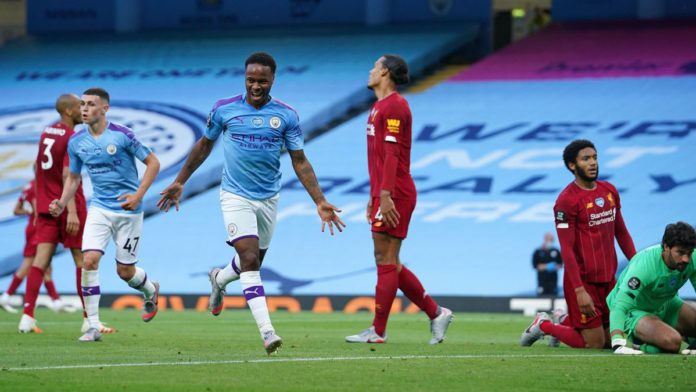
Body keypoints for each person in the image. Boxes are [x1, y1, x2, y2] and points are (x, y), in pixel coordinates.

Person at [158, 52, 345, 355]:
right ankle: (268, 332)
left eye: (262, 81)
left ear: (273, 80)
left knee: (253, 262)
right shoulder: (224, 110)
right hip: (234, 195)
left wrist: (320, 200)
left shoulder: (286, 115)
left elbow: (299, 160)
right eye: (250, 80)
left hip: (269, 197)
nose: (255, 86)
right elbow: (204, 145)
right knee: (248, 258)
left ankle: (219, 279)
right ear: (244, 78)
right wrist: (180, 180)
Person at [344, 55, 453, 345]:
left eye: (374, 66)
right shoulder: (379, 107)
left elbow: (392, 155)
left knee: (385, 259)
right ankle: (436, 312)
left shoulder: (395, 106)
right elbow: (377, 160)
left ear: (385, 72)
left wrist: (386, 194)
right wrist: (373, 195)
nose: (369, 70)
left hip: (397, 192)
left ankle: (378, 331)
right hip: (386, 192)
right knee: (391, 262)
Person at [49, 87, 161, 342]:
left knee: (125, 272)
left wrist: (138, 195)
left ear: (105, 109)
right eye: (82, 104)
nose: (84, 109)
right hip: (99, 208)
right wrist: (62, 202)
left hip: (128, 211)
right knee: (89, 260)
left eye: (90, 104)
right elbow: (74, 178)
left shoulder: (122, 136)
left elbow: (153, 163)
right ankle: (93, 325)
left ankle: (150, 289)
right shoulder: (76, 142)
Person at [520, 139, 636, 349]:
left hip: (609, 281)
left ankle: (564, 319)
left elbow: (621, 232)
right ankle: (544, 325)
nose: (592, 163)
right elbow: (567, 249)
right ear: (572, 165)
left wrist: (637, 265)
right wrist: (579, 290)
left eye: (594, 157)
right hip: (583, 282)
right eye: (586, 159)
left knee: (612, 341)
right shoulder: (566, 201)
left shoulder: (609, 191)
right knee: (595, 343)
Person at [18, 94, 94, 334]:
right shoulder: (73, 137)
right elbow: (67, 175)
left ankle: (27, 317)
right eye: (79, 106)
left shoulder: (46, 133)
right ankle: (88, 319)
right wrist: (70, 210)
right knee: (81, 261)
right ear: (69, 111)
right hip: (68, 204)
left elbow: (39, 172)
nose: (83, 110)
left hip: (45, 205)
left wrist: (41, 206)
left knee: (40, 261)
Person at [608, 221, 696, 355]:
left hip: (667, 303)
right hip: (636, 309)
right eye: (680, 252)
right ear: (666, 247)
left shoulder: (692, 259)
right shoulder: (645, 265)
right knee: (673, 342)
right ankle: (638, 342)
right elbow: (620, 304)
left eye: (689, 253)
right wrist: (617, 342)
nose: (686, 259)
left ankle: (666, 338)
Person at [1, 179, 73, 315]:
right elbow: (38, 208)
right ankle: (7, 296)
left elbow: (17, 210)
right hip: (39, 228)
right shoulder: (41, 185)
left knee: (45, 266)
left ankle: (56, 300)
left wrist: (29, 213)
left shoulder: (28, 186)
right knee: (31, 264)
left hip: (32, 227)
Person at [532, 232, 563, 296]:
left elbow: (560, 265)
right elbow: (536, 266)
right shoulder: (538, 252)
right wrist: (547, 266)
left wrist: (554, 267)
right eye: (549, 239)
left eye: (552, 240)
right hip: (542, 282)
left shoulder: (556, 251)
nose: (550, 242)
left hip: (553, 282)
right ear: (545, 239)